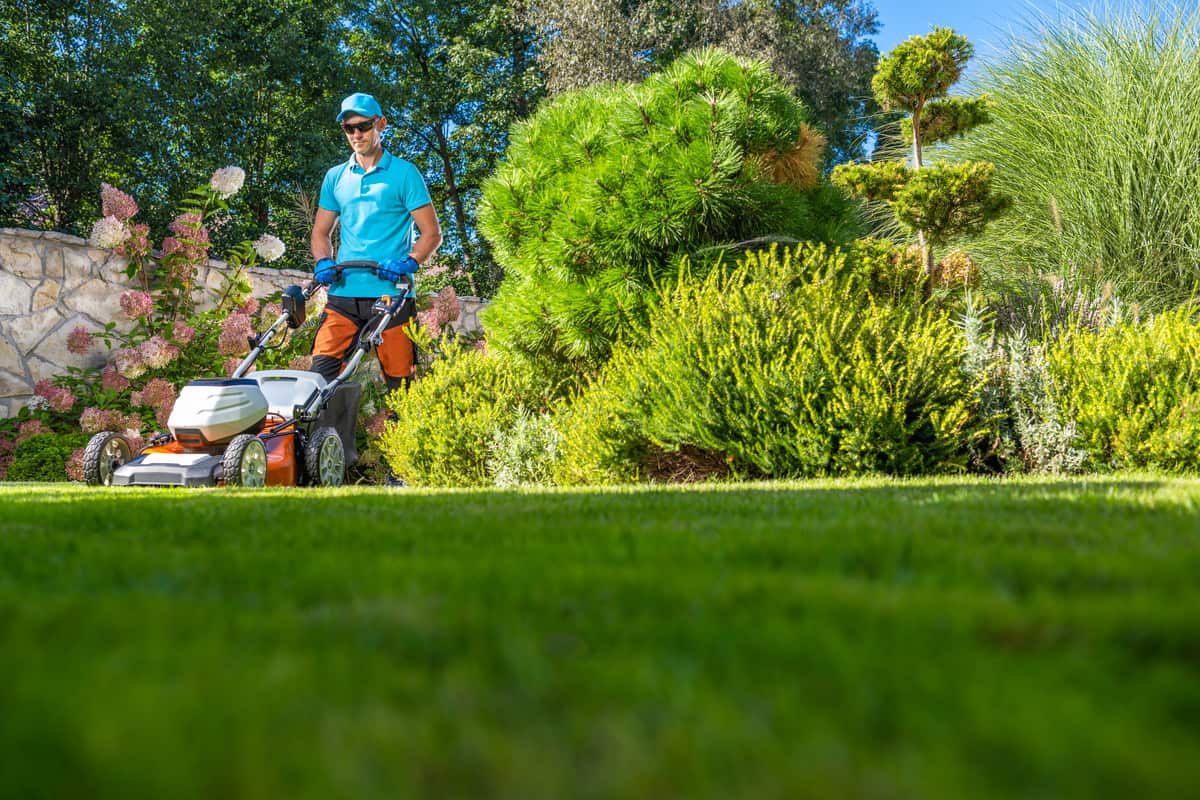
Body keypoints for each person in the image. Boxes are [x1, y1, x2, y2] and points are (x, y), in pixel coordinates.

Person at [310, 91, 442, 394]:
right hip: (344, 293)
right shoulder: (335, 177)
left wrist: (410, 262)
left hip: (390, 297)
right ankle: (329, 439)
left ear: (380, 124)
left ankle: (400, 439)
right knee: (320, 374)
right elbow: (320, 232)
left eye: (364, 126)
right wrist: (322, 261)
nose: (357, 134)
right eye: (349, 128)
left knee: (400, 383)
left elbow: (431, 233)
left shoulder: (405, 174)